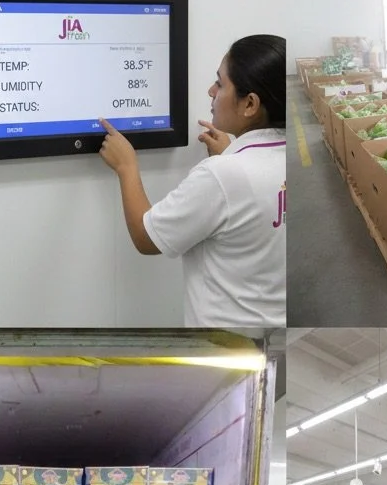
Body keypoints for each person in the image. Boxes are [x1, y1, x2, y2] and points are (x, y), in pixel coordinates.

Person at [98, 34, 286, 328]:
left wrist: (127, 167)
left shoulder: (221, 175)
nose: (211, 91)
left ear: (250, 104)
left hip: (225, 347)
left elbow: (147, 239)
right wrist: (230, 157)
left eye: (221, 83)